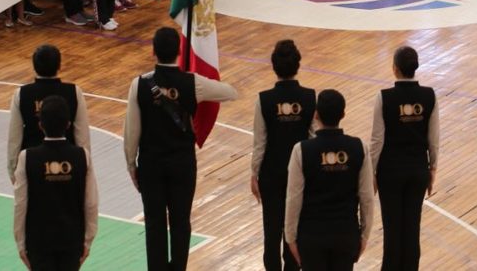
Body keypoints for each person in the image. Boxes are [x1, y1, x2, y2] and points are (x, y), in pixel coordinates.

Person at [123, 26, 238, 271]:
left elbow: (131, 132)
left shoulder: (139, 85)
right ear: (179, 51)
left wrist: (131, 164)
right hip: (183, 166)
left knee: (154, 223)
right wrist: (194, 85)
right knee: (180, 222)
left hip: (151, 165)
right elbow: (230, 93)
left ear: (153, 51)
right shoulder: (193, 83)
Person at [284, 89, 374, 271]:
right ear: (343, 114)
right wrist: (364, 236)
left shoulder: (301, 150)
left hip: (312, 235)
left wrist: (290, 237)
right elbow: (367, 197)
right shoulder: (359, 148)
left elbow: (293, 198)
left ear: (316, 115)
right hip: (346, 234)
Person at [370, 46, 440, 271]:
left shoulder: (384, 97)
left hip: (390, 172)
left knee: (393, 233)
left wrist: (371, 171)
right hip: (418, 170)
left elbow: (377, 140)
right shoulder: (429, 96)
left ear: (395, 69)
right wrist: (432, 169)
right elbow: (434, 138)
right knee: (412, 230)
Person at [12, 95, 99, 271]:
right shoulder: (83, 156)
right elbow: (91, 203)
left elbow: (20, 204)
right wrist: (88, 241)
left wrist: (20, 243)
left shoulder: (26, 157)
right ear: (68, 124)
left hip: (38, 241)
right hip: (71, 240)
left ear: (40, 125)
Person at [252, 40, 316, 271]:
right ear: (297, 65)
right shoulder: (310, 97)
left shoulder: (264, 99)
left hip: (271, 174)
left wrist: (254, 173)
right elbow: (314, 138)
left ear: (273, 66)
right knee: (294, 233)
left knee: (272, 234)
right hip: (300, 175)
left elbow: (260, 142)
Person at [6, 44, 91, 182]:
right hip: (67, 164)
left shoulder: (22, 94)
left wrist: (13, 170)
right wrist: (84, 167)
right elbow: (82, 136)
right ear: (59, 66)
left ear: (34, 66)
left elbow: (14, 138)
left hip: (32, 164)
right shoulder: (74, 92)